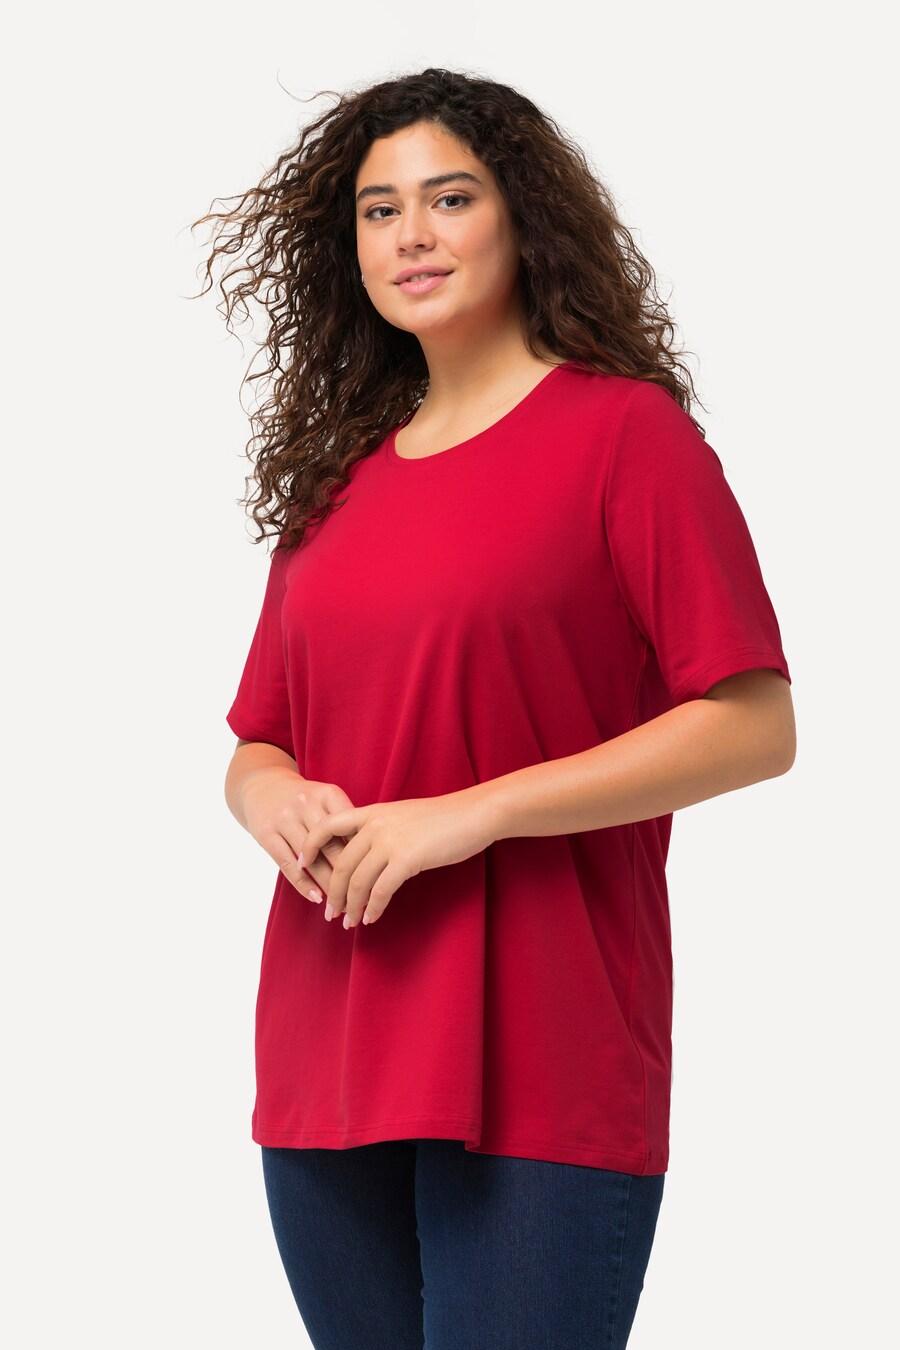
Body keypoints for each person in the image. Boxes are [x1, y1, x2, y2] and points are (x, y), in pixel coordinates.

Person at [195, 67, 796, 1350]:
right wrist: (270, 796)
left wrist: (470, 815)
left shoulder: (625, 438)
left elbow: (755, 721)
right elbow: (260, 735)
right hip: (329, 1039)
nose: (411, 235)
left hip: (543, 1042)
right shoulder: (336, 480)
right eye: (380, 210)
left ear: (522, 217)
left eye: (450, 198)